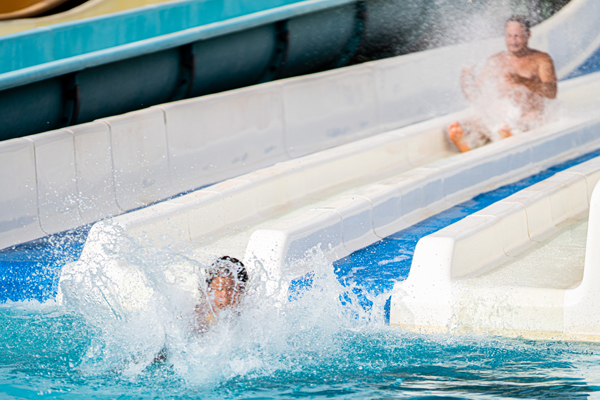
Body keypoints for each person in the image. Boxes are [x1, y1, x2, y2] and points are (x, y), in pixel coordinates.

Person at [448, 15, 558, 152]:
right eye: (509, 36)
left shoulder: (541, 59)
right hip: (502, 118)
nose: (513, 41)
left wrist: (523, 80)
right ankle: (467, 145)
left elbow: (551, 92)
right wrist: (465, 80)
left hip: (528, 116)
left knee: (530, 118)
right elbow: (476, 97)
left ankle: (507, 137)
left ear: (528, 35)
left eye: (517, 36)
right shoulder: (496, 61)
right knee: (475, 122)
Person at [194, 256, 249, 333]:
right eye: (219, 289)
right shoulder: (198, 318)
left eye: (231, 289)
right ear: (207, 291)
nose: (224, 295)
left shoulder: (249, 316)